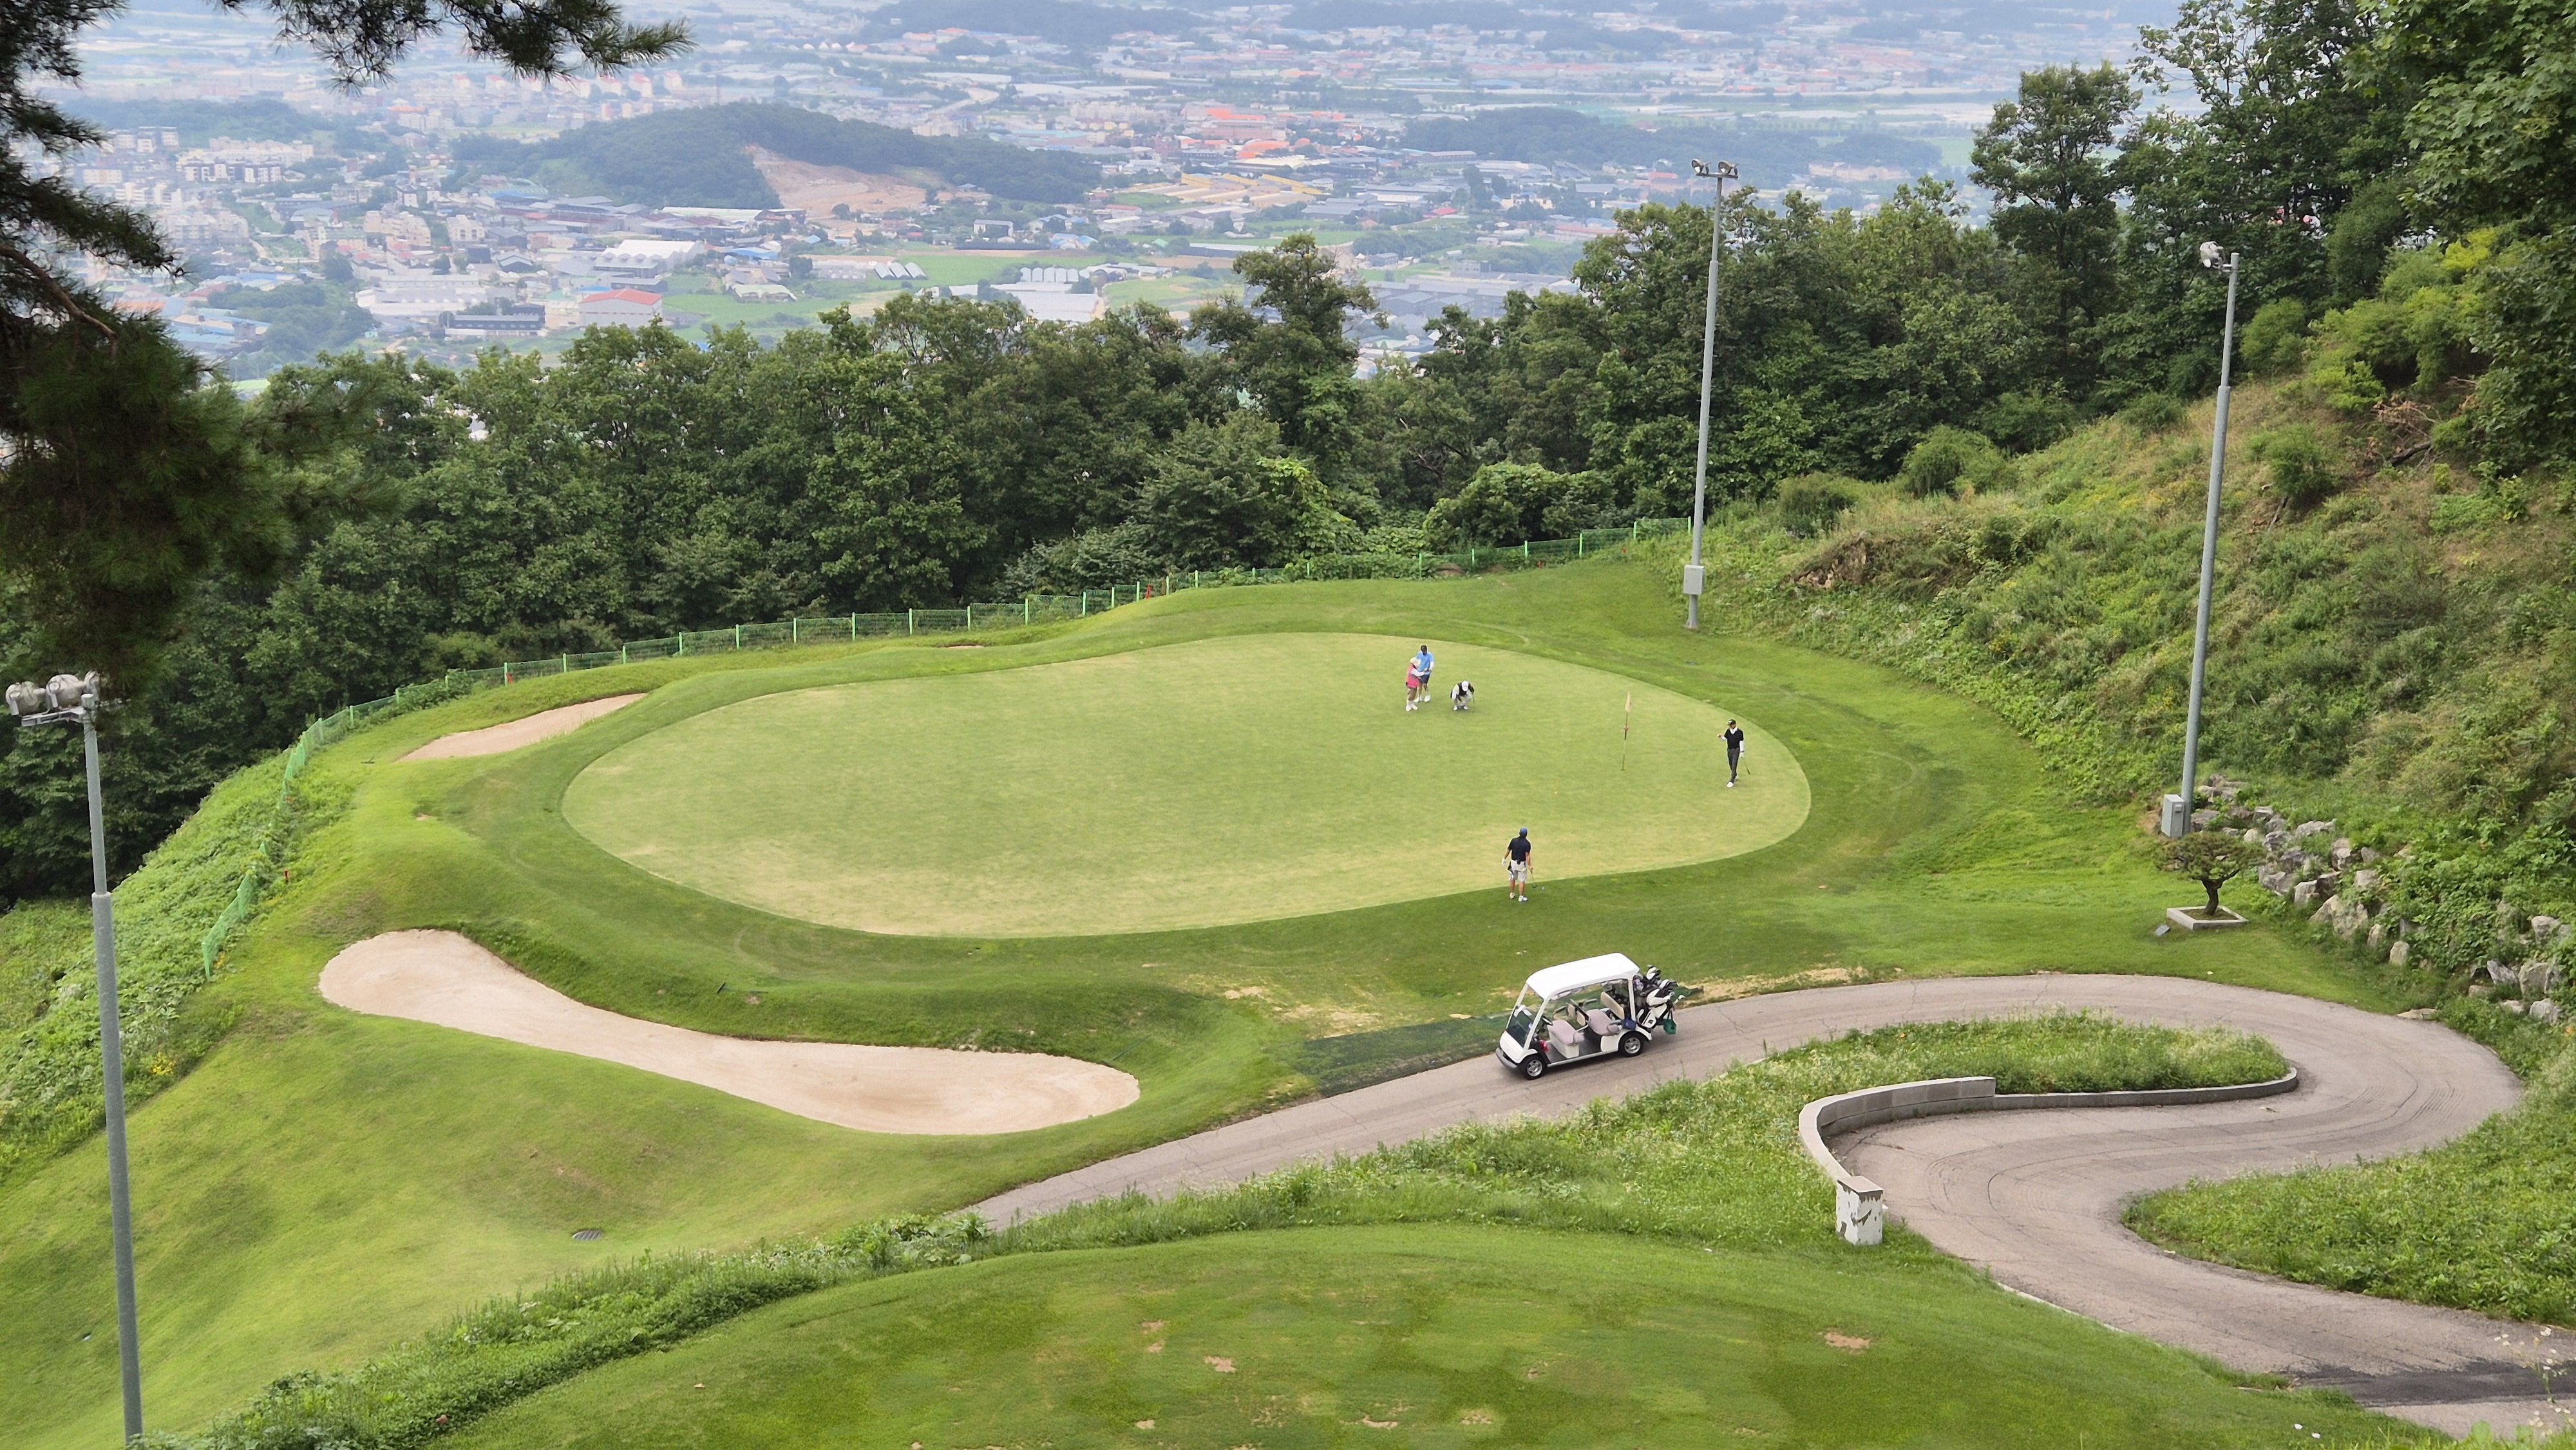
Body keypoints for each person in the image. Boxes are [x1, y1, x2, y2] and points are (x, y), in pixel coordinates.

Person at [1504, 827, 1532, 903]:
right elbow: (1527, 856)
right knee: (1522, 880)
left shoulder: (1514, 841)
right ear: (1526, 834)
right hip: (1522, 864)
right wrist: (1530, 866)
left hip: (1513, 863)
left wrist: (1504, 858)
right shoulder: (1527, 844)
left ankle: (1512, 893)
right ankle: (1521, 897)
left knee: (1513, 878)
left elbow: (1508, 850)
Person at [1725, 719, 1746, 787]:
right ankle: (1735, 774)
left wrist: (1742, 752)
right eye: (1729, 725)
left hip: (1736, 750)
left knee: (1734, 764)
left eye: (1731, 725)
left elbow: (1741, 742)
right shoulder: (1728, 731)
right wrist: (1721, 737)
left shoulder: (1740, 732)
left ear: (1734, 725)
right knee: (1730, 763)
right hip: (1730, 750)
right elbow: (1725, 739)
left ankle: (1732, 780)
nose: (1730, 726)